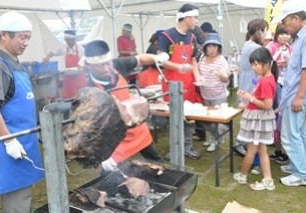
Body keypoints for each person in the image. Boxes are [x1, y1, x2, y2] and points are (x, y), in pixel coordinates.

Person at [78, 40, 164, 173]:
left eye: (108, 63)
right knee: (108, 174)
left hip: (137, 129)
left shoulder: (118, 65)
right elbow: (93, 128)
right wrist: (103, 157)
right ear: (89, 66)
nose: (107, 69)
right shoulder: (90, 90)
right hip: (116, 139)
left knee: (157, 163)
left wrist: (156, 58)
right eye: (100, 66)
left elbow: (140, 59)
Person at [0, 11, 44, 212]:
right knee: (16, 201)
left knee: (24, 197)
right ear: (4, 35)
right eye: (22, 37)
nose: (26, 42)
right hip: (11, 144)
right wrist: (9, 140)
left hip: (24, 140)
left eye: (28, 37)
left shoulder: (14, 61)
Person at [157, 3, 201, 160]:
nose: (196, 21)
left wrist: (198, 77)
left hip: (188, 84)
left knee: (188, 117)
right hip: (172, 84)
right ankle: (174, 148)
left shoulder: (192, 38)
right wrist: (179, 66)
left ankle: (187, 146)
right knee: (173, 117)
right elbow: (161, 60)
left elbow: (193, 60)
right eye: (195, 18)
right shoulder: (166, 36)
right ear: (187, 18)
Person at [272, 1, 306, 186]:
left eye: (285, 22)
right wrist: (288, 65)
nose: (283, 26)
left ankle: (301, 174)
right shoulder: (302, 37)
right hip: (298, 95)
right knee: (301, 133)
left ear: (296, 18)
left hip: (298, 96)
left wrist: (300, 97)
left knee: (290, 135)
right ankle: (302, 166)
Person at [233, 47, 278, 191]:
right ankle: (266, 179)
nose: (253, 67)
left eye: (256, 64)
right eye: (252, 64)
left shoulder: (266, 81)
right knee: (261, 150)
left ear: (266, 64)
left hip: (258, 121)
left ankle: (243, 175)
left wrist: (248, 97)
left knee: (252, 150)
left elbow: (267, 104)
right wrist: (248, 97)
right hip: (259, 119)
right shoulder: (265, 78)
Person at [233, 18, 269, 174]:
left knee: (250, 126)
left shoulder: (248, 44)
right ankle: (253, 160)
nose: (266, 34)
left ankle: (250, 154)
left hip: (248, 88)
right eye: (265, 31)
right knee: (254, 127)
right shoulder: (255, 48)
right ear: (259, 31)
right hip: (252, 90)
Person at [196, 33, 231, 152]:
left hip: (218, 94)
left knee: (216, 119)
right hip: (205, 93)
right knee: (207, 119)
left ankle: (217, 140)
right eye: (209, 46)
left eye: (214, 46)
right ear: (205, 47)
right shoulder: (202, 58)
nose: (211, 49)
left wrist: (221, 75)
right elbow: (199, 73)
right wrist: (200, 79)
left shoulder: (221, 61)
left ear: (218, 48)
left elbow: (226, 78)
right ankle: (212, 137)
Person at [266, 24, 292, 165]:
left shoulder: (291, 49)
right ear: (276, 35)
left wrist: (288, 62)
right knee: (276, 117)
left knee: (281, 118)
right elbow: (267, 62)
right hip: (275, 84)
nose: (284, 37)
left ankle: (283, 151)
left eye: (287, 34)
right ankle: (278, 150)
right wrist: (276, 62)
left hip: (287, 86)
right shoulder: (272, 46)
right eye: (281, 34)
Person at [43, 30, 87, 99]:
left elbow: (83, 62)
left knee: (81, 98)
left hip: (79, 78)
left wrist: (81, 65)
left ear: (74, 39)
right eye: (67, 40)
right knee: (68, 99)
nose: (69, 42)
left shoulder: (81, 49)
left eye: (71, 40)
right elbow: (53, 52)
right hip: (68, 79)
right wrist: (47, 57)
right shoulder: (64, 47)